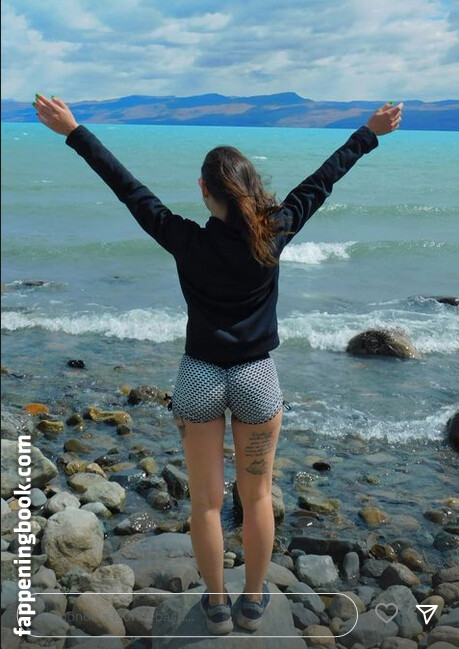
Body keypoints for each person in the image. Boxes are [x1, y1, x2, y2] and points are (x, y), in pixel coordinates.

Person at [34, 94, 403, 635]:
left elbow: (127, 187)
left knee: (207, 504)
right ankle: (252, 602)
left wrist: (74, 131)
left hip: (199, 376)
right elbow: (324, 179)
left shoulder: (183, 238)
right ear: (250, 187)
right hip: (256, 377)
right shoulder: (277, 228)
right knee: (257, 496)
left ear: (204, 190)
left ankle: (216, 604)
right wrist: (369, 133)